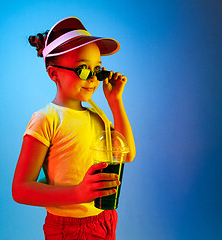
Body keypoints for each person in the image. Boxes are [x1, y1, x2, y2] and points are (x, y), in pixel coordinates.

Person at [12, 16, 136, 240]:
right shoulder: (46, 119)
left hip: (104, 219)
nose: (92, 80)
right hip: (68, 228)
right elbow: (20, 189)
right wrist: (78, 192)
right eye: (83, 70)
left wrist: (115, 101)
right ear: (53, 73)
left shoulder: (97, 115)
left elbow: (126, 155)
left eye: (97, 70)